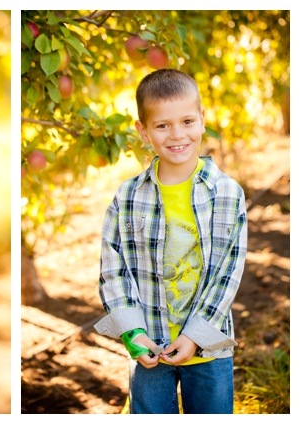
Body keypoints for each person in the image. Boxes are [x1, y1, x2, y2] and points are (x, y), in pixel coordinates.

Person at [94, 68, 247, 414]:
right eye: (162, 125)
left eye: (187, 121)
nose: (177, 134)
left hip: (209, 349)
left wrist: (195, 335)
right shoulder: (129, 196)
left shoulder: (226, 194)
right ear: (143, 131)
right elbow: (112, 265)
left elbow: (228, 272)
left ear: (203, 119)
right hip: (149, 347)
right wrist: (131, 331)